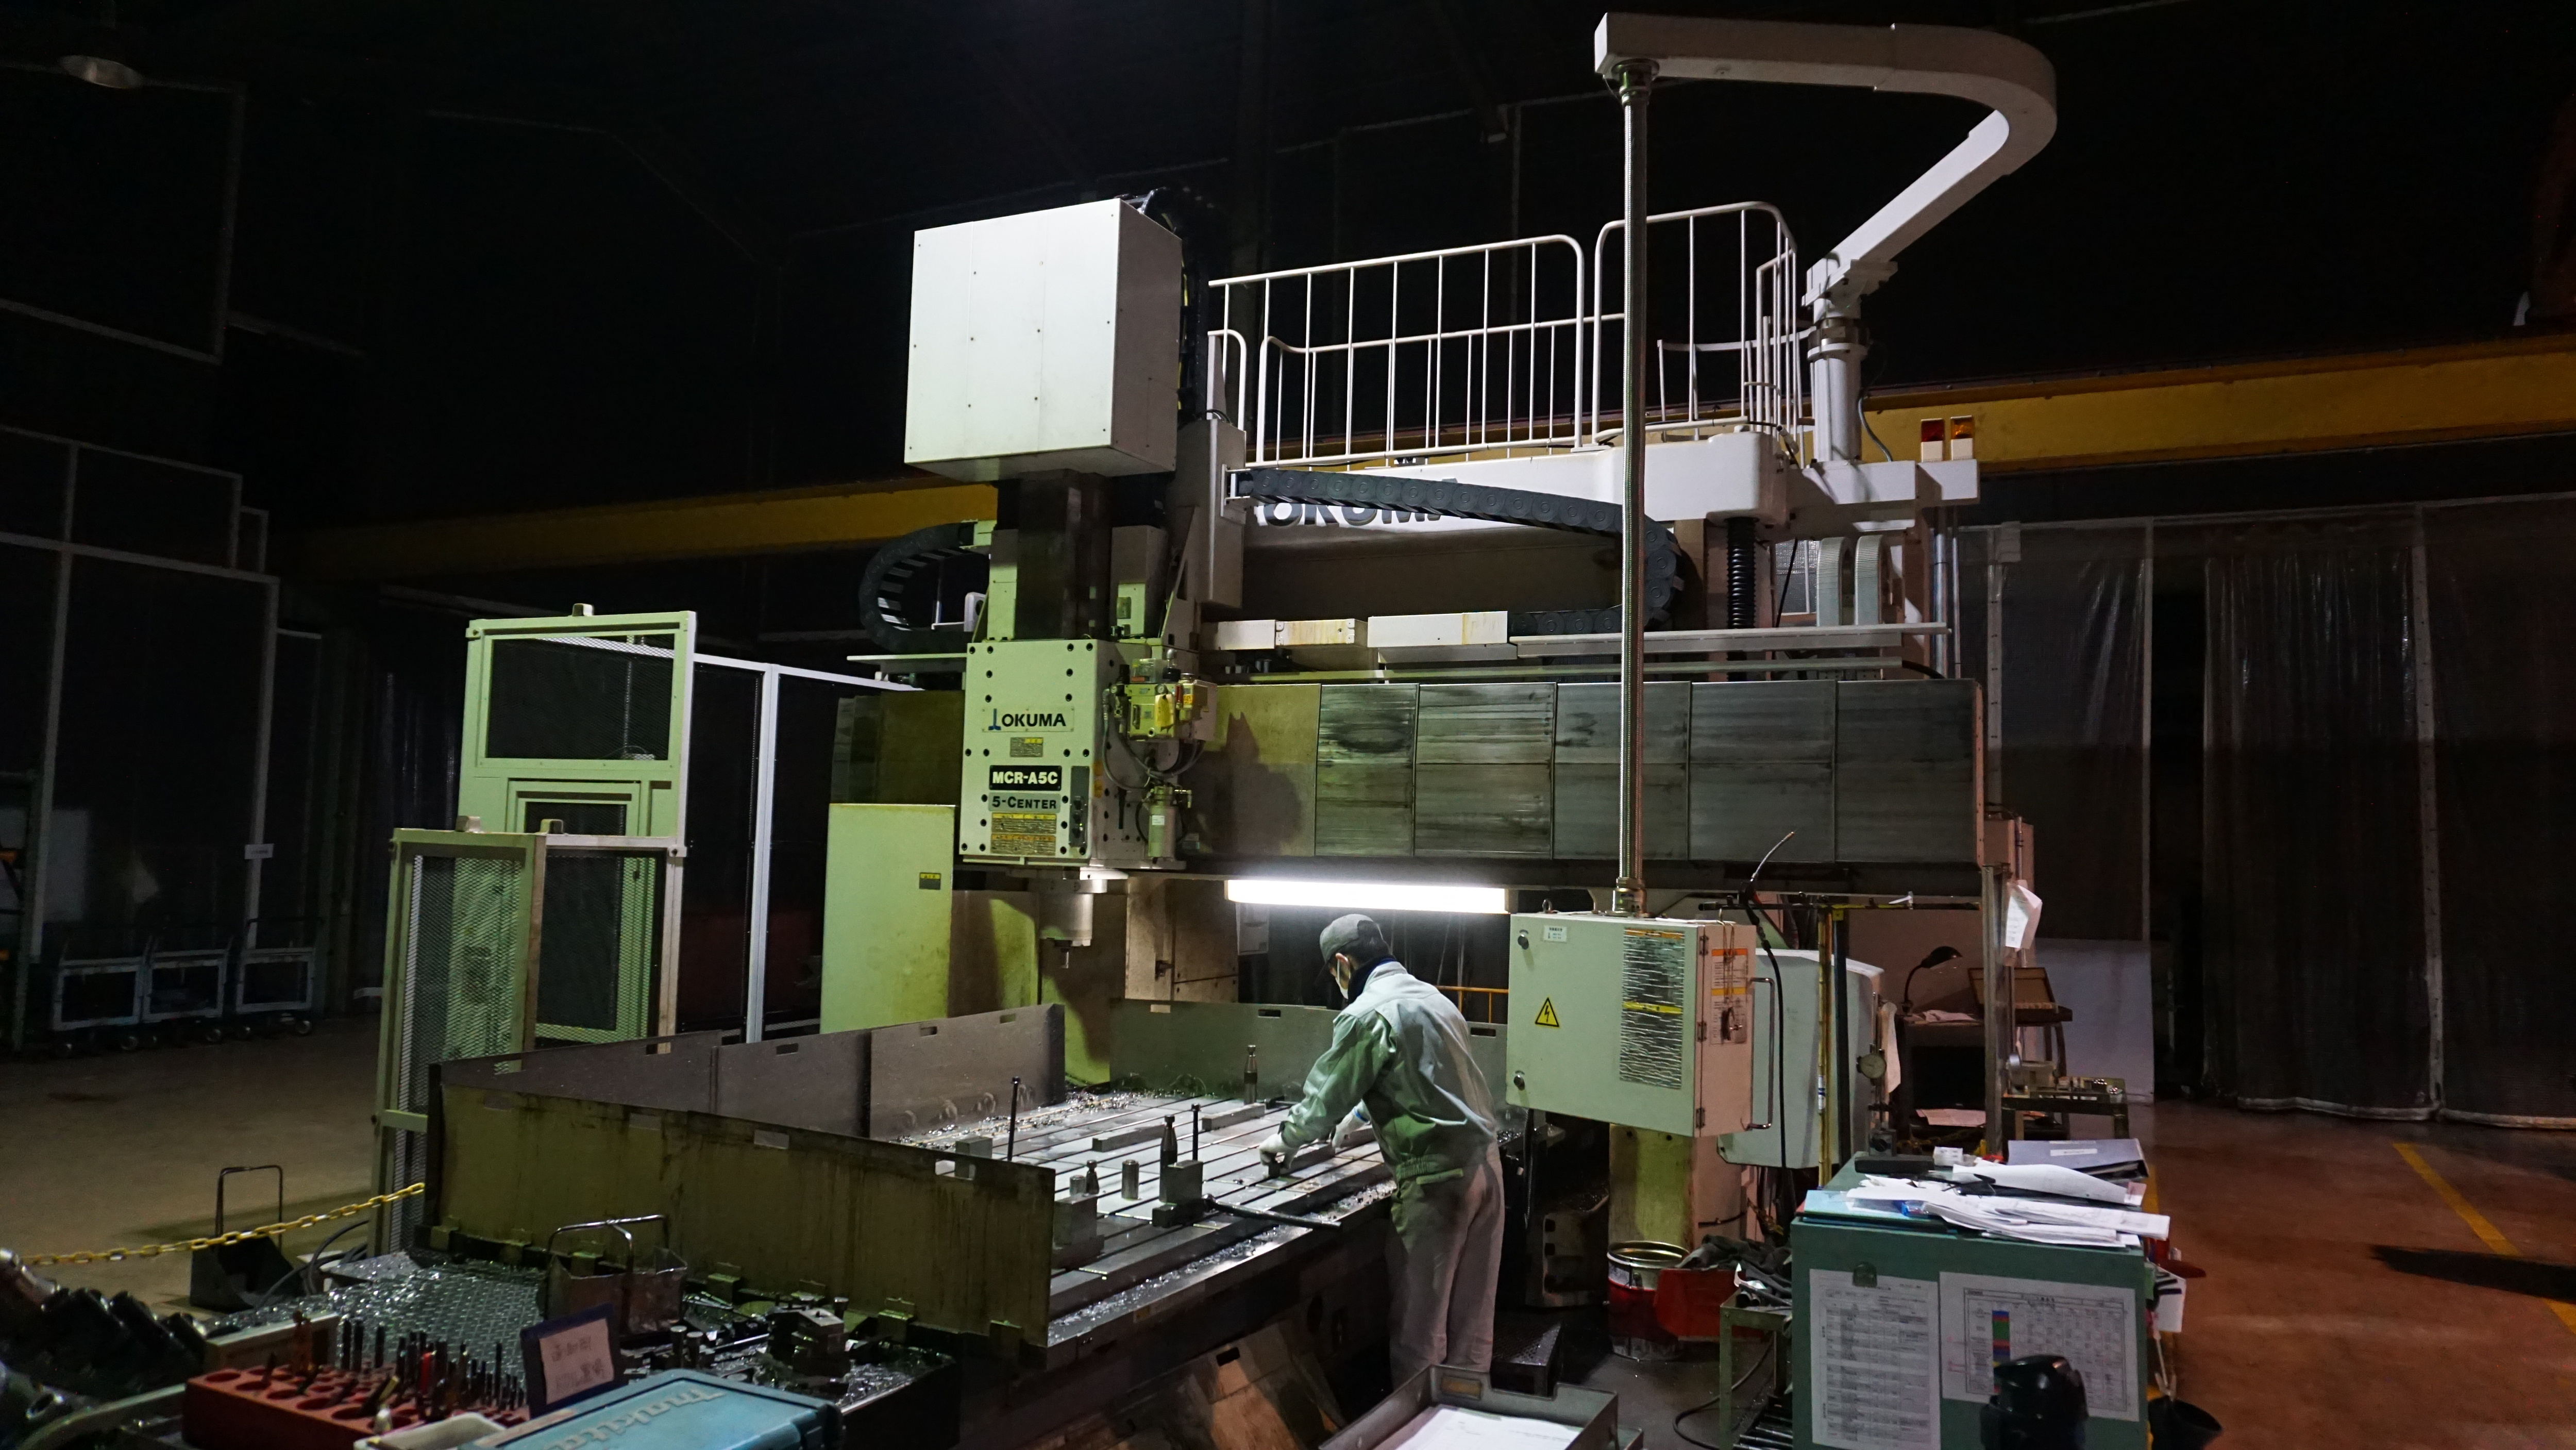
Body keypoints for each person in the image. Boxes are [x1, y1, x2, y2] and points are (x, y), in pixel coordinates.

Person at [1257, 913, 1502, 1386]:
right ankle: (1465, 1418)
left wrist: (1285, 1139)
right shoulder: (1433, 998)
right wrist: (1363, 1113)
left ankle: (1419, 1422)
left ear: (1342, 964)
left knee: (1420, 1332)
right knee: (1471, 1330)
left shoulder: (1366, 1012)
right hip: (1486, 1169)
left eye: (1334, 973)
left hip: (1437, 1181)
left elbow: (1326, 1096)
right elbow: (1426, 1077)